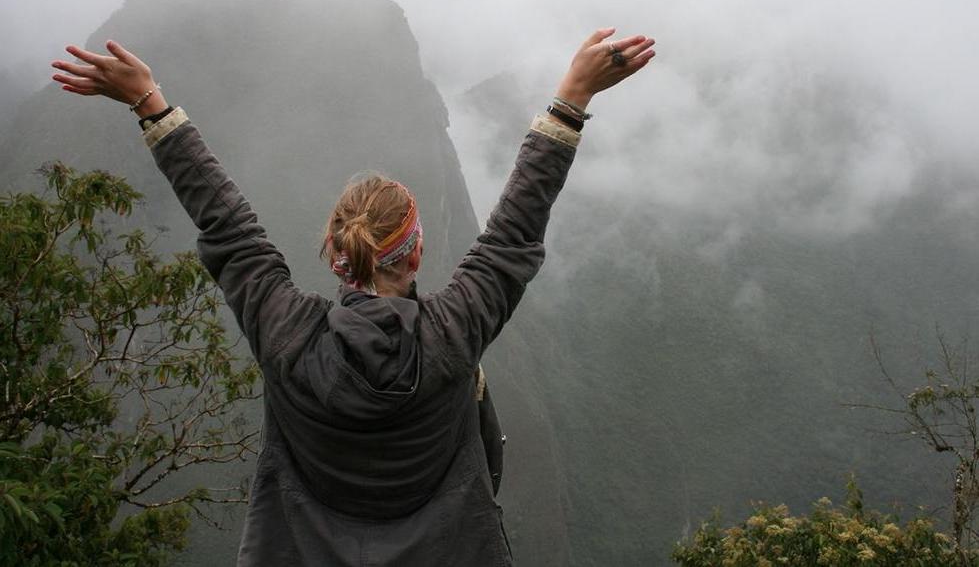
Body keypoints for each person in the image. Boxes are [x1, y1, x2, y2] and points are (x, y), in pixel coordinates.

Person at [51, 28, 655, 566]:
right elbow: (514, 233)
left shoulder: (286, 333)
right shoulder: (452, 335)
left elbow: (226, 228)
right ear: (416, 253)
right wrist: (572, 98)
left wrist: (148, 101)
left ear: (335, 253)